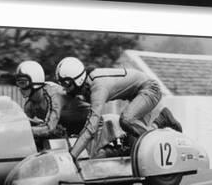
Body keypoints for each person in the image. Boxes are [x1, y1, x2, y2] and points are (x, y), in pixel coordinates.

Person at [54, 56, 182, 159]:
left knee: (126, 120)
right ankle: (159, 122)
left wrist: (72, 156)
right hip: (135, 95)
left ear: (78, 79)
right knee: (133, 144)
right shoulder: (85, 86)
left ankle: (162, 121)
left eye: (66, 83)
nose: (65, 88)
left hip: (149, 88)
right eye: (62, 83)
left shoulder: (98, 88)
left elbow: (92, 126)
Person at [14, 61, 89, 140]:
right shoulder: (29, 105)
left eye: (23, 83)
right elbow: (24, 124)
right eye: (18, 83)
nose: (20, 88)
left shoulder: (53, 95)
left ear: (35, 81)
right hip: (68, 130)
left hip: (88, 124)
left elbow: (49, 128)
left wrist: (22, 131)